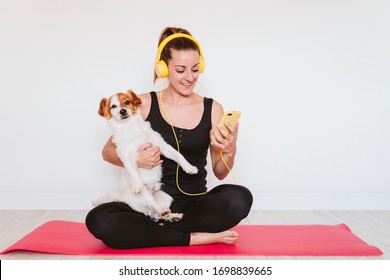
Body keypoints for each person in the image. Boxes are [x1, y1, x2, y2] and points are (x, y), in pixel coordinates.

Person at [85, 27, 253, 249]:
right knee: (99, 219)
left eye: (195, 69)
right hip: (147, 202)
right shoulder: (143, 103)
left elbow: (220, 172)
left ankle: (157, 233)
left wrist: (230, 150)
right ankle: (191, 237)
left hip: (194, 205)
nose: (190, 77)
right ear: (163, 68)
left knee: (240, 198)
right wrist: (137, 160)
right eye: (181, 70)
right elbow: (107, 152)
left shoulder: (213, 109)